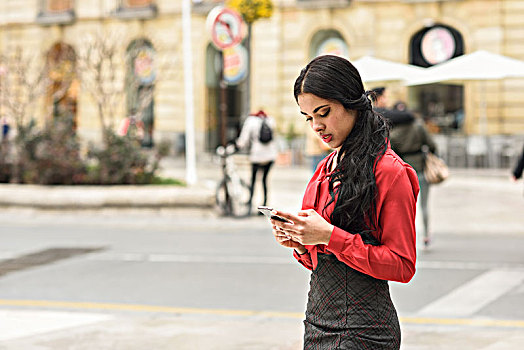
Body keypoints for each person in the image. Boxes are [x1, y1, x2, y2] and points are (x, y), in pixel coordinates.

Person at [269, 55, 419, 349]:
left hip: (365, 331)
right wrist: (299, 242)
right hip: (317, 322)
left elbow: (402, 265)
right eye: (309, 117)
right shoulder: (325, 168)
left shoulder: (390, 171)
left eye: (323, 113)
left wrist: (328, 235)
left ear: (351, 103)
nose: (316, 126)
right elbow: (320, 261)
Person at [383, 97, 438, 249]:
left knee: (405, 208)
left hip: (403, 174)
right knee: (424, 205)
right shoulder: (418, 126)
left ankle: (409, 237)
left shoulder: (393, 132)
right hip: (420, 168)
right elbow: (432, 145)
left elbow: (390, 152)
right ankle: (426, 235)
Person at [236, 109, 278, 213]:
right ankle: (264, 205)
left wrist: (237, 146)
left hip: (257, 155)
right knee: (264, 180)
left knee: (253, 180)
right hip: (270, 155)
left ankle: (250, 203)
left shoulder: (250, 121)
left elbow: (243, 140)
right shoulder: (270, 120)